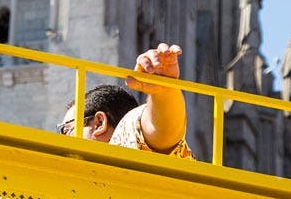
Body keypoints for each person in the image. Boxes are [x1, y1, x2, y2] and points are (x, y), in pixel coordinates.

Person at [58, 43, 193, 159]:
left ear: (100, 123)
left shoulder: (124, 146)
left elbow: (162, 132)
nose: (61, 143)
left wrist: (164, 91)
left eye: (67, 131)